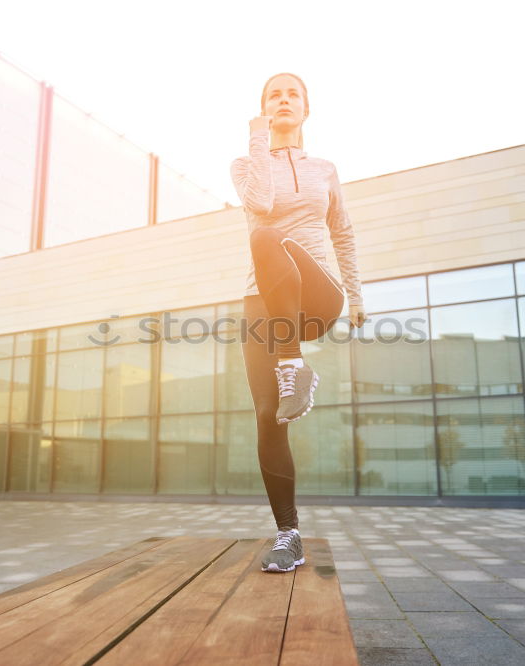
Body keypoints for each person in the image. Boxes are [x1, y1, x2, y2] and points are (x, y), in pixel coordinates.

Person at [230, 72, 366, 573]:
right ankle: (289, 535)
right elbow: (261, 204)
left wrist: (355, 296)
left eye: (293, 95)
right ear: (264, 109)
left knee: (266, 239)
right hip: (262, 303)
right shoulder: (246, 164)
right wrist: (259, 140)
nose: (284, 100)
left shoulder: (324, 170)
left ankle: (295, 365)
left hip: (317, 295)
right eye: (274, 95)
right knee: (268, 414)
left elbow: (343, 233)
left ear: (306, 109)